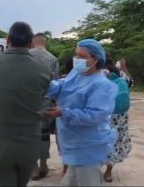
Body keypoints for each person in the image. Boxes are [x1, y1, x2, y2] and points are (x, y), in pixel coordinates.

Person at [0, 22, 52, 187]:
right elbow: (43, 98)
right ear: (31, 42)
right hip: (30, 146)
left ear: (7, 39)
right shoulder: (44, 69)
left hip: (0, 144)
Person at [44, 39, 118, 186]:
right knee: (69, 182)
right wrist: (43, 83)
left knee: (87, 181)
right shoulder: (76, 74)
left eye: (82, 56)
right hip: (75, 143)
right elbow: (61, 87)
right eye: (76, 55)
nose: (77, 59)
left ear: (95, 59)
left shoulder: (102, 85)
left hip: (89, 145)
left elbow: (93, 115)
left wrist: (62, 113)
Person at [29, 33, 59, 180]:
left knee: (30, 133)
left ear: (33, 42)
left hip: (28, 101)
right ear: (45, 43)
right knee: (44, 134)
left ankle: (33, 167)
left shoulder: (26, 56)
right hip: (46, 100)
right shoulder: (52, 58)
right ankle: (44, 164)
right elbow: (56, 82)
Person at [103, 54, 132, 183]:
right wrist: (124, 68)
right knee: (114, 142)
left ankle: (102, 169)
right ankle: (108, 172)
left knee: (101, 142)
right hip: (120, 116)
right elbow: (130, 83)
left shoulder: (100, 74)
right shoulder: (119, 75)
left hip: (106, 115)